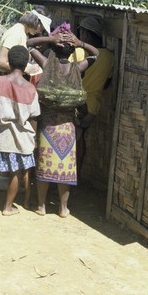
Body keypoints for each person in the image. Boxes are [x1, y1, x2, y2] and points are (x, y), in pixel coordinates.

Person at [29, 23, 99, 218]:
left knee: (44, 164)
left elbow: (29, 44)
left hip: (47, 125)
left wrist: (50, 39)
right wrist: (80, 43)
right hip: (68, 126)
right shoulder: (78, 67)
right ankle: (62, 208)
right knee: (65, 169)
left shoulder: (46, 65)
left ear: (54, 48)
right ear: (72, 52)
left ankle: (41, 206)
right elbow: (95, 55)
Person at [0, 45, 41, 215]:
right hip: (22, 136)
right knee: (16, 172)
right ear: (25, 65)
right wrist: (34, 138)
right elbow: (34, 117)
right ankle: (8, 207)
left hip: (1, 134)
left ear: (9, 62)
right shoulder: (31, 89)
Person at [74, 16, 114, 176]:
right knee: (80, 138)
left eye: (80, 32)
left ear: (86, 33)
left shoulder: (79, 52)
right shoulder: (109, 56)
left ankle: (68, 177)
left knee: (73, 141)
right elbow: (107, 83)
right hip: (93, 107)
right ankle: (77, 175)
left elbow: (72, 76)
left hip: (77, 104)